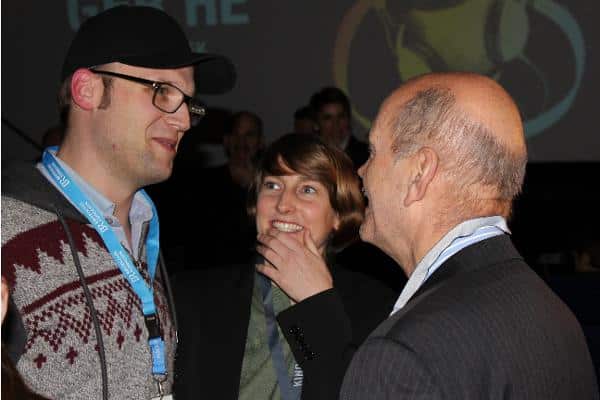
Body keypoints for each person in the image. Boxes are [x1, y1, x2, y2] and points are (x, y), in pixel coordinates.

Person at [1, 5, 235, 400]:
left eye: (188, 104)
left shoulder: (145, 230)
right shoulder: (6, 230)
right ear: (87, 90)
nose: (182, 121)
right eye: (162, 92)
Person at [339, 72, 599, 399]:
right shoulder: (556, 317)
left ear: (419, 173)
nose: (361, 171)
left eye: (374, 151)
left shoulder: (403, 354)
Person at [173, 134, 398, 400]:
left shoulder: (374, 305)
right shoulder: (196, 296)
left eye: (307, 190)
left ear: (338, 215)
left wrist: (317, 306)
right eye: (272, 185)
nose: (283, 204)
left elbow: (352, 389)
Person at [309, 87, 368, 168]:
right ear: (316, 123)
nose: (336, 124)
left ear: (348, 119)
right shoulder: (309, 156)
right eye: (328, 118)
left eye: (341, 116)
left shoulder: (366, 155)